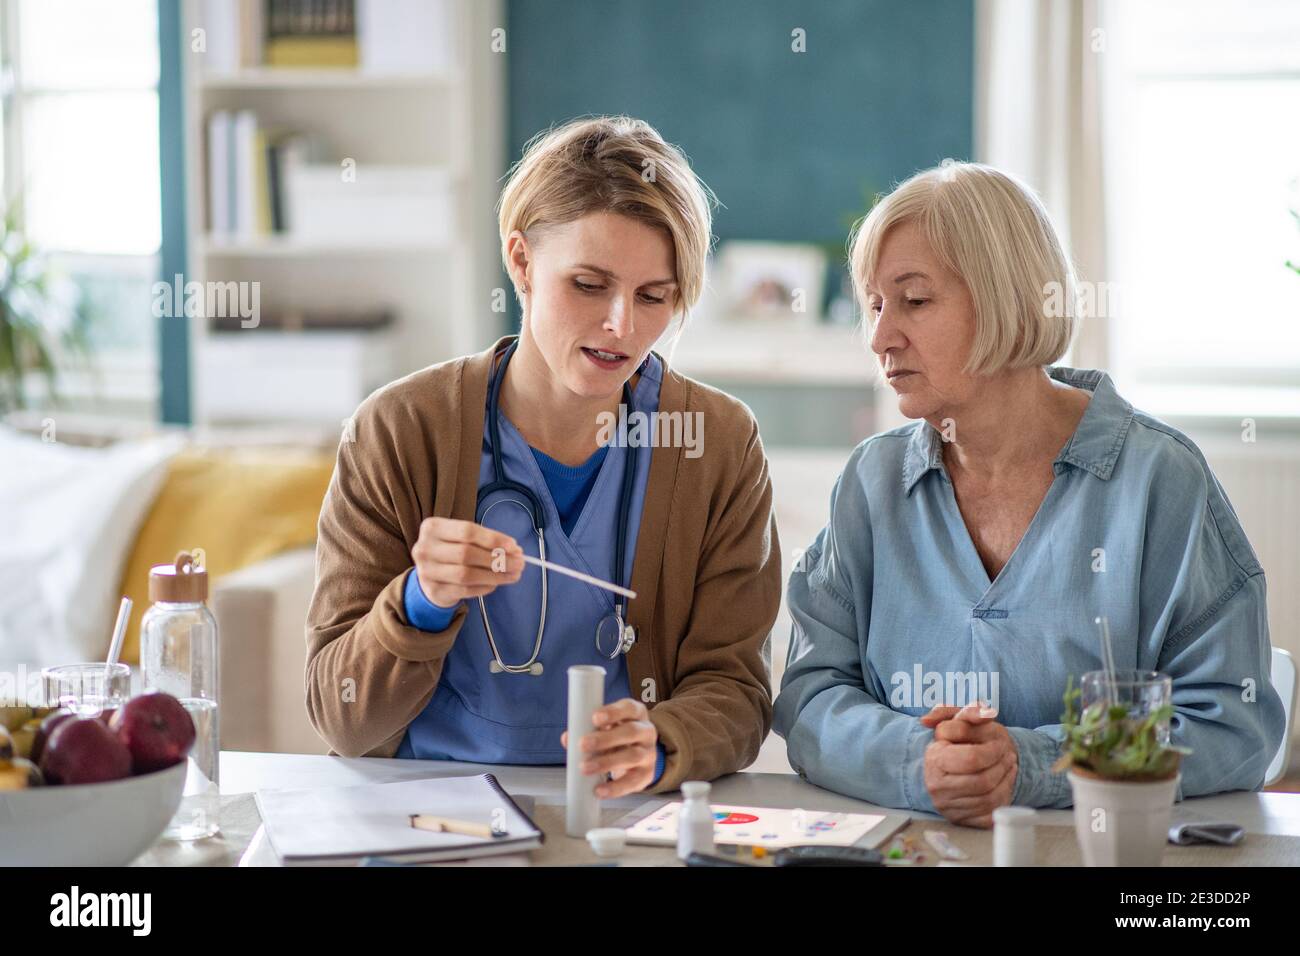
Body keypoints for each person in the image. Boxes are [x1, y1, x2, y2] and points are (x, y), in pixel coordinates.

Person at [773, 161, 1285, 827]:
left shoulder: (1160, 481)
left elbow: (1234, 723)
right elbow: (810, 696)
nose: (880, 337)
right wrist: (921, 761)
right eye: (874, 304)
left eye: (915, 301)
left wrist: (1033, 763)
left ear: (1007, 296)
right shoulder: (872, 485)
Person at [305, 116, 782, 797]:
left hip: (620, 812)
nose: (622, 325)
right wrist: (420, 601)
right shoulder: (399, 430)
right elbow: (340, 716)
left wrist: (663, 742)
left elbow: (736, 693)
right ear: (521, 261)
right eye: (589, 284)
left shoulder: (718, 442)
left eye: (655, 296)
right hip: (425, 811)